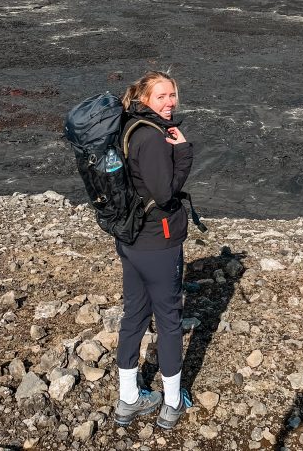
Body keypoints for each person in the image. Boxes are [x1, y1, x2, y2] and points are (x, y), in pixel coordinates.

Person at [114, 71, 194, 430]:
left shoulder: (129, 127)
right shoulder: (155, 138)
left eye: (172, 95)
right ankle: (172, 402)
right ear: (144, 99)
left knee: (134, 315)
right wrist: (183, 152)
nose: (169, 102)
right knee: (169, 320)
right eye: (161, 96)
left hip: (130, 238)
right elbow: (165, 193)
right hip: (157, 241)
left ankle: (129, 399)